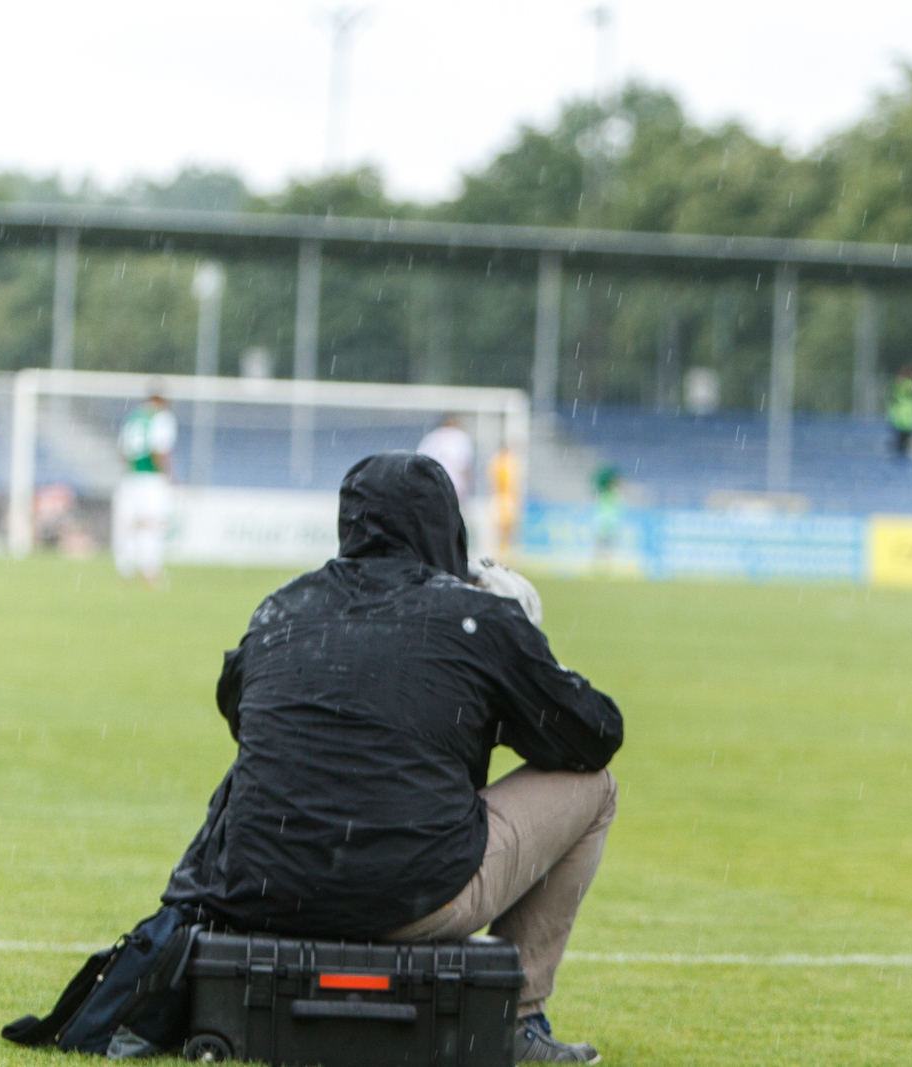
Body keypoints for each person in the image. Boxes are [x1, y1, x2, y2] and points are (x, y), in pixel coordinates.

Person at [163, 452, 622, 1064]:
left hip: (266, 889)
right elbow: (592, 737)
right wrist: (526, 641)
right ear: (446, 525)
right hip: (413, 891)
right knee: (596, 787)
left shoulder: (279, 608)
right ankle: (520, 1017)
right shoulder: (477, 617)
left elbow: (241, 716)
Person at [113, 392, 177, 586]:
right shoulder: (160, 417)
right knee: (152, 523)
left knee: (128, 523)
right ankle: (150, 568)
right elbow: (160, 449)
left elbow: (122, 451)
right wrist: (168, 474)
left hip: (131, 476)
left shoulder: (133, 417)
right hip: (151, 477)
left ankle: (125, 566)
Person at [418, 415, 475, 502]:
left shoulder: (431, 437)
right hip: (455, 485)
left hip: (434, 483)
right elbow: (465, 466)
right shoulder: (460, 437)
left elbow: (420, 461)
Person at [886, 365, 912, 458]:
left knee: (901, 438)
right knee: (906, 438)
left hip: (900, 416)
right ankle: (904, 448)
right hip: (911, 416)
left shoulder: (898, 385)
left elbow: (891, 398)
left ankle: (901, 449)